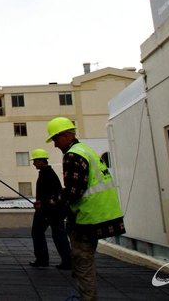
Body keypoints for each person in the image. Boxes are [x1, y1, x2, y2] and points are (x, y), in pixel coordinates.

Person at [47, 117, 125, 301]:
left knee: (83, 261)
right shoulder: (87, 151)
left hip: (90, 217)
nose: (56, 145)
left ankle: (88, 298)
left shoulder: (73, 155)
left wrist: (50, 203)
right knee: (85, 259)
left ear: (66, 136)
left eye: (56, 139)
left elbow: (74, 192)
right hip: (103, 213)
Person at [28, 148, 71, 269]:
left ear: (42, 161)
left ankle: (45, 260)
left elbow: (55, 194)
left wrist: (42, 204)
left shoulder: (47, 175)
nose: (33, 163)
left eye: (35, 161)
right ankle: (65, 261)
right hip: (49, 210)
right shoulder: (47, 173)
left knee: (46, 233)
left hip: (49, 211)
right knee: (55, 234)